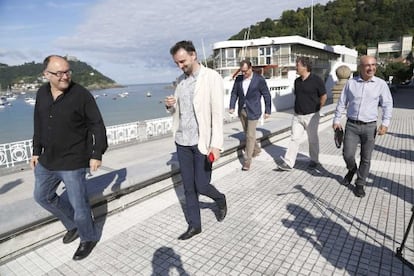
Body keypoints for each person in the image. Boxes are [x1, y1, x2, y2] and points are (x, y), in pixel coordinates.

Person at [30, 55, 108, 260]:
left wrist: (96, 153)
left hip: (73, 160)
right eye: (59, 73)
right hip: (47, 160)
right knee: (42, 196)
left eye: (68, 71)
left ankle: (88, 237)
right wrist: (36, 151)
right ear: (46, 74)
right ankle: (73, 225)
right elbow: (38, 123)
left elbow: (97, 125)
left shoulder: (81, 95)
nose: (65, 76)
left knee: (79, 204)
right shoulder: (41, 93)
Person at [165, 41, 227, 240]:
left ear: (193, 55)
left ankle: (220, 198)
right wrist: (170, 106)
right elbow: (179, 112)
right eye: (176, 63)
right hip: (182, 142)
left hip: (202, 142)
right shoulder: (180, 82)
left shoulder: (211, 78)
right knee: (188, 187)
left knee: (201, 185)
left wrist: (216, 144)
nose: (180, 66)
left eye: (182, 61)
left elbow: (217, 113)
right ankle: (195, 225)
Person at [333, 55, 393, 198]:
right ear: (360, 67)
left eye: (373, 65)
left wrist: (385, 123)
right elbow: (342, 102)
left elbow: (387, 104)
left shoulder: (380, 84)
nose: (371, 68)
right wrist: (336, 120)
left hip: (370, 126)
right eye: (367, 65)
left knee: (366, 158)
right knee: (347, 154)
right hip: (352, 125)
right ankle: (352, 169)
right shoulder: (350, 83)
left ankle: (360, 183)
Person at [278, 57, 327, 171]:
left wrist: (318, 108)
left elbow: (323, 96)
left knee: (312, 139)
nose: (296, 67)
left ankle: (314, 160)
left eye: (297, 65)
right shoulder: (297, 81)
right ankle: (289, 163)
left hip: (312, 116)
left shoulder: (317, 80)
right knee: (294, 138)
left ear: (305, 67)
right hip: (297, 115)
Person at [229, 60, 271, 171]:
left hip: (254, 110)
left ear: (250, 68)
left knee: (250, 135)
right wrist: (232, 106)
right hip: (242, 110)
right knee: (247, 133)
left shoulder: (259, 80)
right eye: (242, 71)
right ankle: (256, 150)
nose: (243, 74)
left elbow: (266, 95)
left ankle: (247, 161)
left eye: (245, 71)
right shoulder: (238, 79)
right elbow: (234, 93)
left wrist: (268, 110)